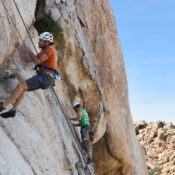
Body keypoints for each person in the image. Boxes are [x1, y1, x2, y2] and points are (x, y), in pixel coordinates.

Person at [0, 32, 58, 118]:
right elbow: (27, 60)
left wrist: (29, 50)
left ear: (47, 42)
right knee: (22, 89)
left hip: (46, 77)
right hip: (45, 79)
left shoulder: (50, 50)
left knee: (21, 85)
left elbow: (37, 61)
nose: (38, 42)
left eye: (41, 40)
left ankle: (3, 105)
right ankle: (13, 110)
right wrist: (19, 49)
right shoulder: (42, 53)